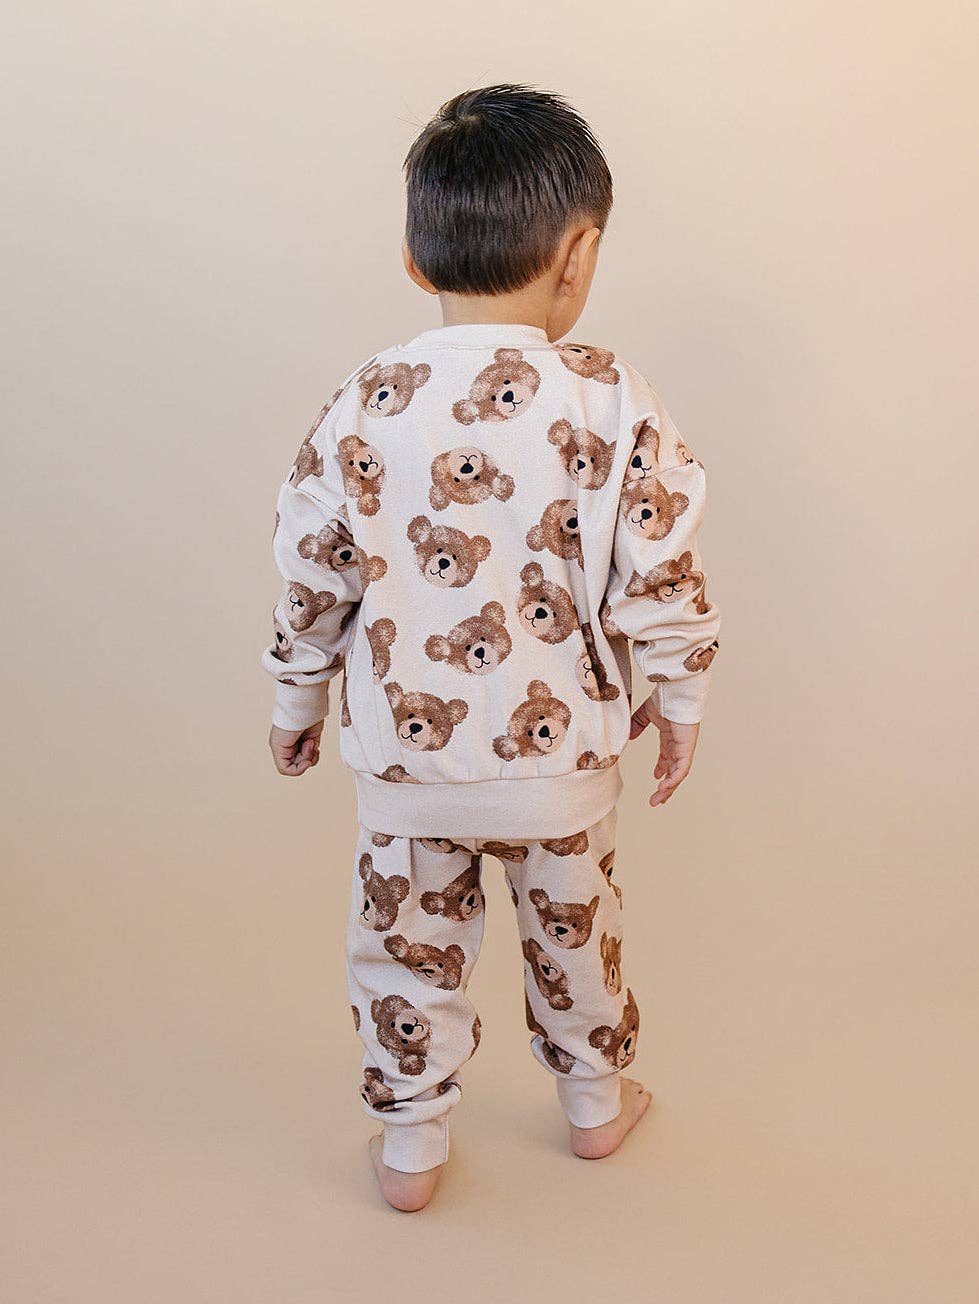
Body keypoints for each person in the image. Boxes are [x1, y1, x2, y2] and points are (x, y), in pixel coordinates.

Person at [261, 84, 721, 1212]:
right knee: (577, 936)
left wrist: (294, 698)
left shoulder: (368, 399)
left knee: (402, 950)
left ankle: (411, 1146)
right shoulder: (609, 395)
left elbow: (314, 564)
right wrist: (680, 695)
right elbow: (661, 558)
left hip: (406, 773)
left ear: (414, 257)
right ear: (580, 254)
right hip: (560, 770)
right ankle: (595, 1102)